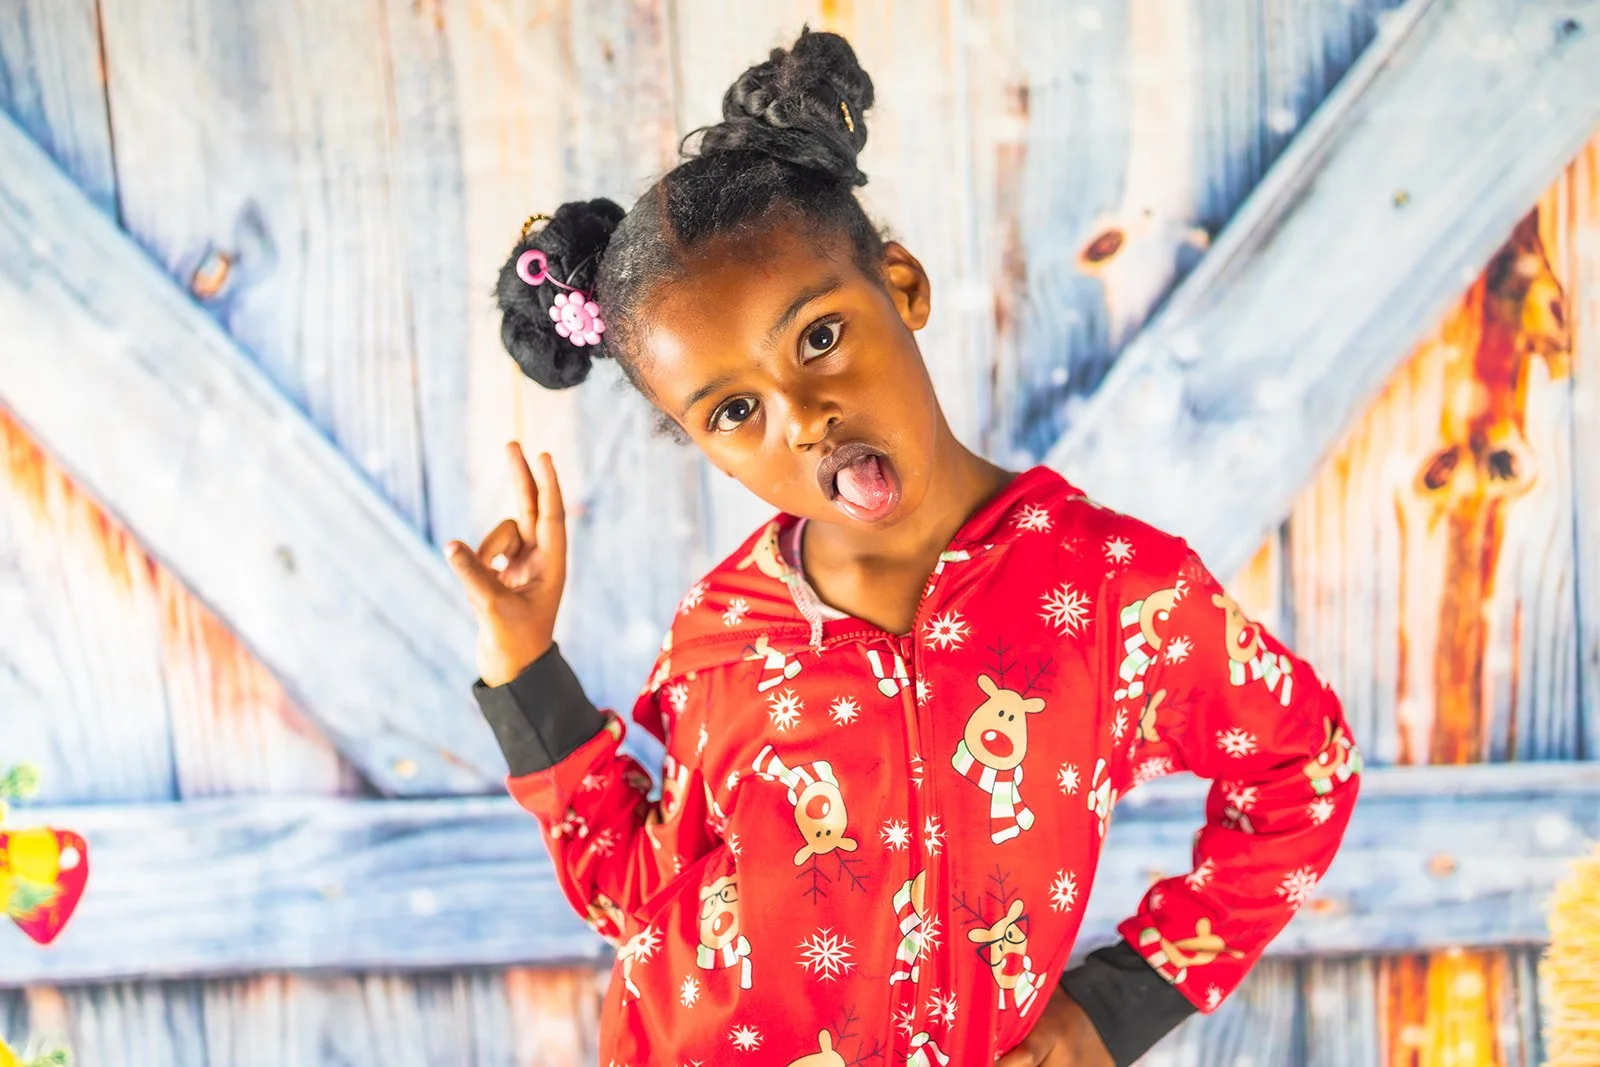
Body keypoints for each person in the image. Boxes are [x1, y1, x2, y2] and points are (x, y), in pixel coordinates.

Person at [444, 27, 1361, 1067]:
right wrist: (525, 667)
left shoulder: (1117, 592)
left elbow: (1304, 772)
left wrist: (1118, 1004)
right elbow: (636, 894)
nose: (802, 417)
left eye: (819, 336)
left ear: (903, 284)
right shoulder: (725, 635)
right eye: (735, 410)